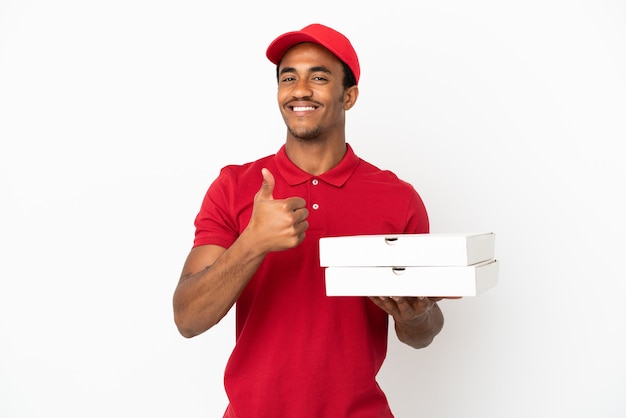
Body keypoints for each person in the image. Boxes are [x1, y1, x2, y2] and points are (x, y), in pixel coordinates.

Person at [173, 23, 446, 418]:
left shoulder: (398, 198)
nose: (300, 90)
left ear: (348, 95)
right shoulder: (234, 185)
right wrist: (253, 242)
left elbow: (424, 333)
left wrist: (417, 317)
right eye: (289, 78)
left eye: (318, 77)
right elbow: (187, 319)